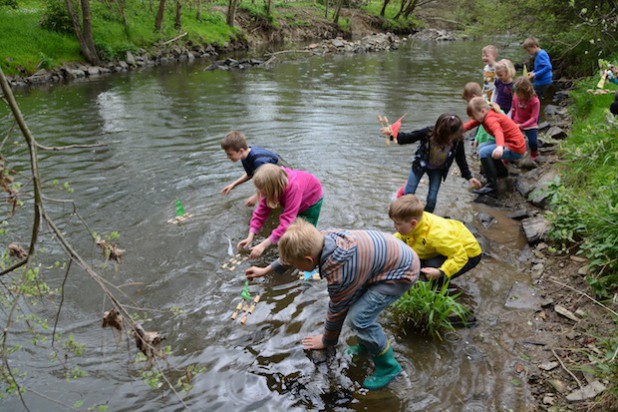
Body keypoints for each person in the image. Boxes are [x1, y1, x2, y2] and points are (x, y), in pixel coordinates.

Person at [245, 219, 420, 390]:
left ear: (307, 261)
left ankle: (389, 367)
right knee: (356, 306)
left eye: (296, 266)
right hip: (384, 260)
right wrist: (265, 270)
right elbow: (291, 256)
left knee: (359, 319)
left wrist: (326, 340)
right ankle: (367, 345)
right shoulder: (321, 238)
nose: (295, 268)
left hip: (400, 273)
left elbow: (337, 310)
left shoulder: (339, 272)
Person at [380, 114, 481, 213]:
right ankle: (403, 212)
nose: (450, 139)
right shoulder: (428, 133)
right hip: (420, 165)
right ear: (440, 131)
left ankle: (427, 218)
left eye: (453, 135)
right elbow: (409, 137)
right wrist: (393, 134)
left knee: (432, 200)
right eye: (448, 136)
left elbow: (461, 159)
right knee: (409, 194)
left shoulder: (457, 141)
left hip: (438, 169)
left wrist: (469, 177)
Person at [388, 194, 482, 285]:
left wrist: (440, 272)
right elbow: (402, 236)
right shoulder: (417, 221)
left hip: (467, 253)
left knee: (432, 276)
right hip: (449, 244)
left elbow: (460, 256)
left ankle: (439, 284)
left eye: (397, 224)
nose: (394, 227)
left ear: (413, 223)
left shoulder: (436, 235)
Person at [237, 164, 323, 259]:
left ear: (274, 190)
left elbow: (286, 222)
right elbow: (260, 213)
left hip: (311, 200)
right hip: (295, 197)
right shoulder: (272, 186)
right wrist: (250, 235)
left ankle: (308, 256)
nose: (261, 195)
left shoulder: (294, 188)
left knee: (304, 233)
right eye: (260, 191)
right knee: (291, 221)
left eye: (264, 193)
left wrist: (263, 245)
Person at [464, 97, 527, 196]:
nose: (473, 119)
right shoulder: (484, 115)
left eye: (474, 116)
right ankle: (501, 172)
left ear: (482, 111)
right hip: (511, 143)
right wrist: (455, 130)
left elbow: (498, 132)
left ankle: (492, 187)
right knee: (482, 147)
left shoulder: (490, 119)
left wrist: (499, 147)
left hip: (516, 148)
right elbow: (469, 125)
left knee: (483, 152)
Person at [220, 131, 281, 207]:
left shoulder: (259, 161)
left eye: (230, 154)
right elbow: (250, 174)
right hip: (272, 178)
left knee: (272, 202)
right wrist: (233, 184)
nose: (228, 157)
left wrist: (256, 197)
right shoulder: (244, 156)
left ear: (241, 151)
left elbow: (269, 183)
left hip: (281, 179)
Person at [511, 76, 541, 160]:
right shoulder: (515, 96)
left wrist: (522, 125)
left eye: (519, 93)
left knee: (533, 142)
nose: (517, 95)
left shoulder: (535, 101)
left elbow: (534, 118)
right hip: (517, 121)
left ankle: (534, 153)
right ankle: (511, 155)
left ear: (526, 92)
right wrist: (511, 121)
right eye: (516, 93)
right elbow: (513, 109)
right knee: (512, 139)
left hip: (530, 123)